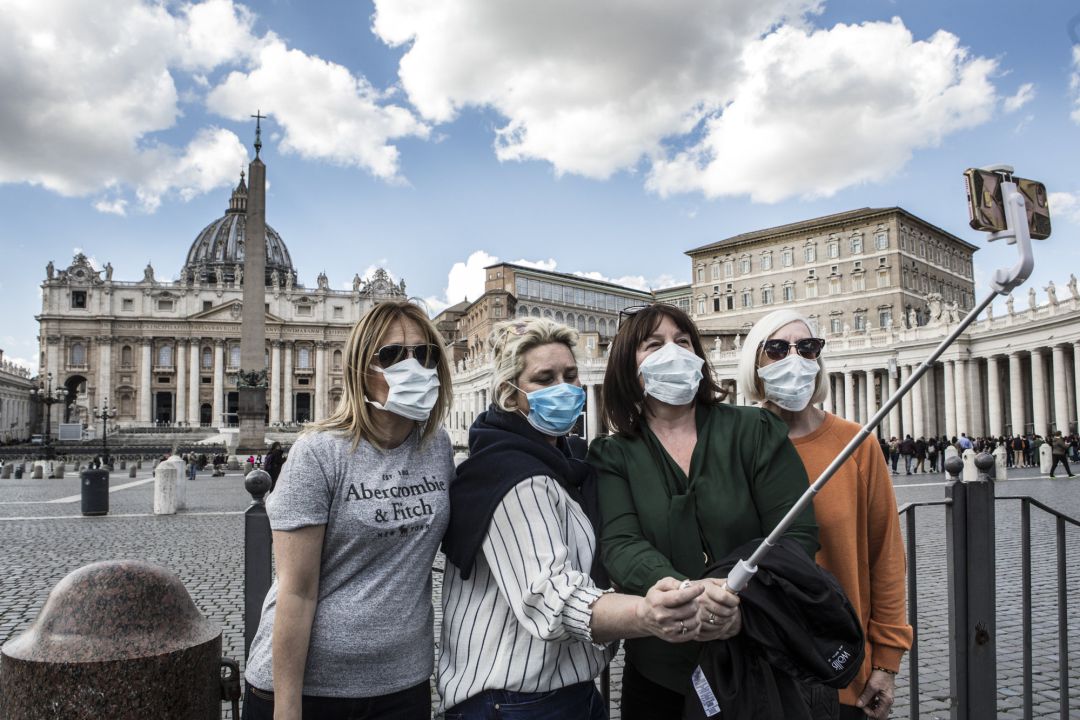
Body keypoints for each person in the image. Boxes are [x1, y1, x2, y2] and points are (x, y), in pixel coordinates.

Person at [438, 318, 712, 720]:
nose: (562, 388)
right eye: (543, 379)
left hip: (564, 691)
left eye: (569, 375)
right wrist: (647, 614)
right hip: (513, 700)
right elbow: (552, 597)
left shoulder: (565, 462)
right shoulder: (514, 477)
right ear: (510, 395)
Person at [587, 304, 818, 719]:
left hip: (758, 659)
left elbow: (795, 535)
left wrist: (739, 606)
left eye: (683, 342)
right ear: (627, 365)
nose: (672, 352)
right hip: (659, 673)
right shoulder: (612, 454)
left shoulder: (755, 430)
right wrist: (687, 595)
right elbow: (621, 542)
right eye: (653, 345)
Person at [242, 301, 454, 720]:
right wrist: (288, 709)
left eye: (425, 354)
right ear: (361, 369)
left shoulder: (438, 447)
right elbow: (296, 593)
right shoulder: (318, 454)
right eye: (392, 355)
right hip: (314, 690)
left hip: (403, 682)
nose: (413, 366)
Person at [738, 309, 912, 720]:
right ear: (755, 362)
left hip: (841, 667)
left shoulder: (857, 444)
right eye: (777, 349)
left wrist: (886, 663)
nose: (795, 359)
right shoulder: (733, 442)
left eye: (808, 348)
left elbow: (885, 557)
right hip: (755, 669)